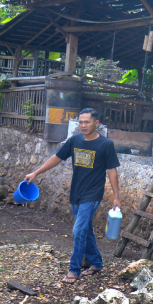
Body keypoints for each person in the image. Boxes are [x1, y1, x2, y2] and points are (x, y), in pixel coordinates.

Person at [24, 108, 121, 284]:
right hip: (76, 192)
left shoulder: (106, 144)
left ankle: (74, 270)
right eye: (81, 122)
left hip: (92, 195)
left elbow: (112, 170)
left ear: (96, 123)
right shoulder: (75, 140)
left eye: (87, 122)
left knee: (78, 230)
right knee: (85, 230)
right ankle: (96, 263)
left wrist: (116, 197)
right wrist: (36, 173)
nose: (83, 125)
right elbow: (57, 157)